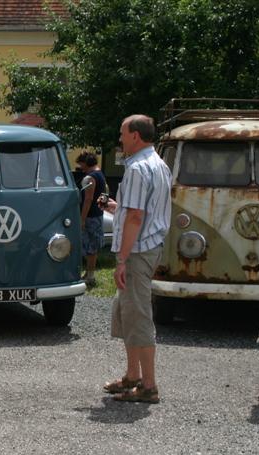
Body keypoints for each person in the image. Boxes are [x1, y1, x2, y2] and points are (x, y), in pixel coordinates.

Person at [101, 115, 171, 404]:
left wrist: (122, 259)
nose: (120, 139)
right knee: (126, 309)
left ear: (135, 136)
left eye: (122, 133)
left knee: (138, 313)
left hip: (138, 252)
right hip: (149, 246)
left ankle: (149, 386)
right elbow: (141, 211)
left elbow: (136, 217)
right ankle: (133, 375)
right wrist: (118, 207)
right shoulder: (159, 164)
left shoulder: (138, 169)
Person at [76, 151, 107, 287]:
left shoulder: (90, 178)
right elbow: (105, 192)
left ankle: (90, 276)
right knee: (92, 247)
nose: (80, 167)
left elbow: (88, 199)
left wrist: (82, 219)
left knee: (90, 248)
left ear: (86, 162)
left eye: (81, 164)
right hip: (98, 214)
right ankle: (89, 274)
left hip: (90, 216)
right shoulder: (100, 173)